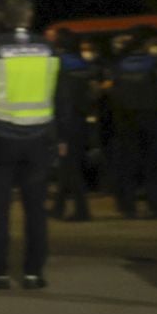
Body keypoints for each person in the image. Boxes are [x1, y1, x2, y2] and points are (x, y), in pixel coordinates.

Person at [0, 0, 63, 290]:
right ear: (30, 17)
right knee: (35, 209)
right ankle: (34, 273)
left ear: (2, 17)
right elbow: (59, 95)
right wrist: (60, 136)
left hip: (0, 138)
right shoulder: (48, 48)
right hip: (38, 138)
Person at [106, 32, 157, 218]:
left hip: (125, 120)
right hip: (152, 117)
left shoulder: (118, 65)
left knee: (128, 165)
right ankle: (156, 205)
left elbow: (111, 90)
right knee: (153, 164)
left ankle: (129, 208)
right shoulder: (155, 63)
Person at [52, 31, 101, 222]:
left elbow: (60, 98)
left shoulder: (59, 64)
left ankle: (82, 210)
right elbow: (93, 92)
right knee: (68, 165)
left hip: (65, 120)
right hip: (81, 119)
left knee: (70, 166)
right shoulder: (83, 64)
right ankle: (58, 207)